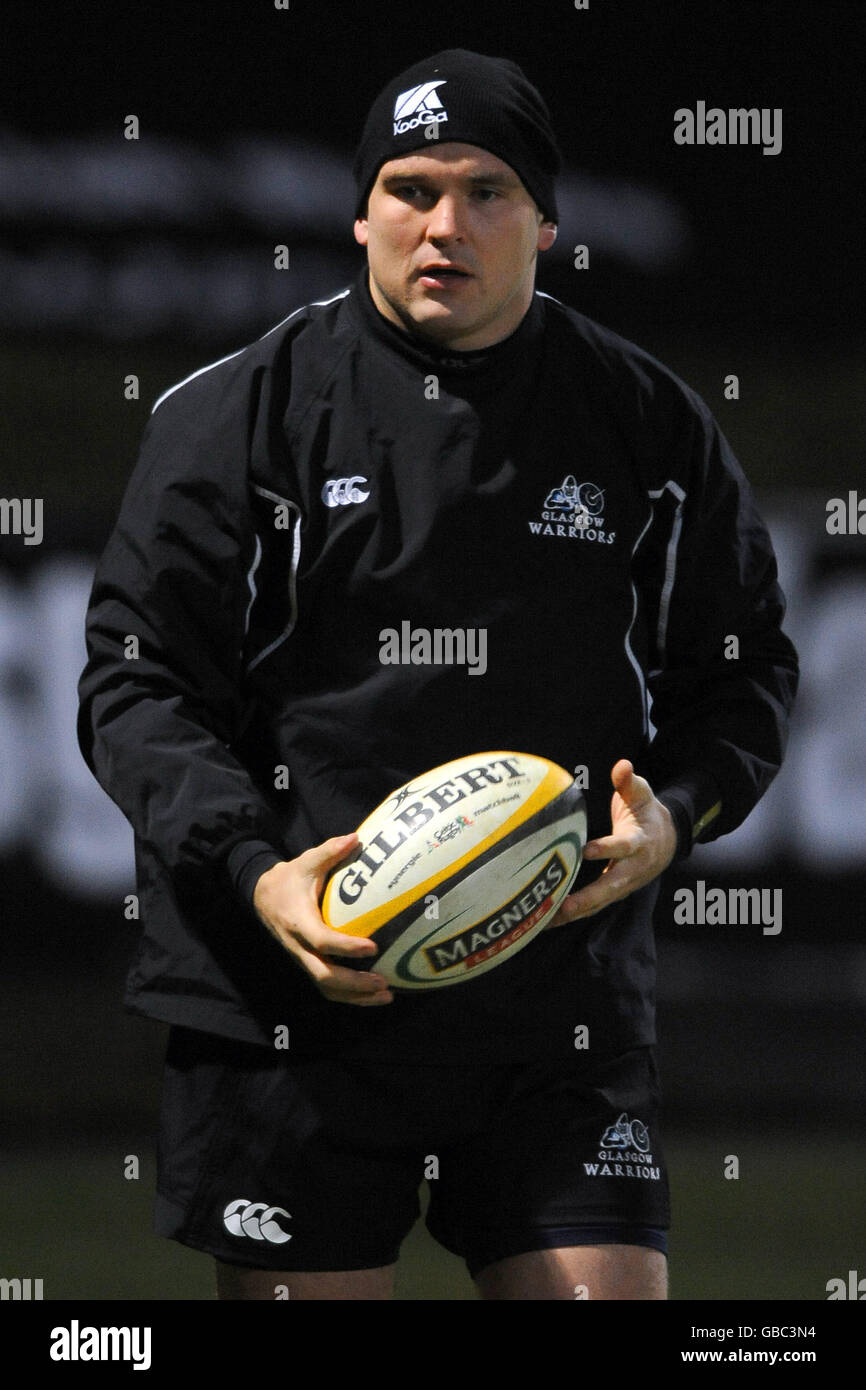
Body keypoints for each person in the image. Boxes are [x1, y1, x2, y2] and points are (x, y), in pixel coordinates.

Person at [77, 49, 798, 1301]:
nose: (444, 223)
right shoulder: (231, 417)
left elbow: (741, 680)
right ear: (361, 212)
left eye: (485, 189)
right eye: (409, 187)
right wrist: (255, 878)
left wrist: (671, 819)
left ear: (546, 222)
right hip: (290, 995)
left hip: (552, 996)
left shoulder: (647, 423)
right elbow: (134, 687)